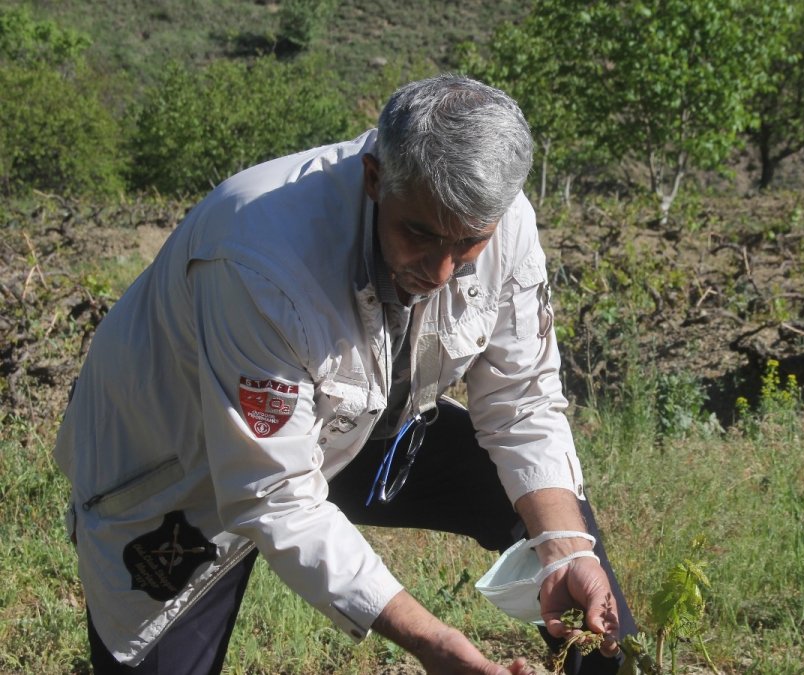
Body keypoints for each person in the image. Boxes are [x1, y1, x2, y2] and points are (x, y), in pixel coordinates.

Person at [53, 74, 635, 675]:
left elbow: (522, 403)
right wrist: (435, 643)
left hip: (359, 422)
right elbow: (275, 496)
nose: (439, 271)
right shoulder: (259, 262)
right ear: (375, 178)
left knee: (557, 514)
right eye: (419, 233)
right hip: (183, 469)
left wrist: (563, 550)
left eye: (467, 243)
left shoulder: (505, 219)